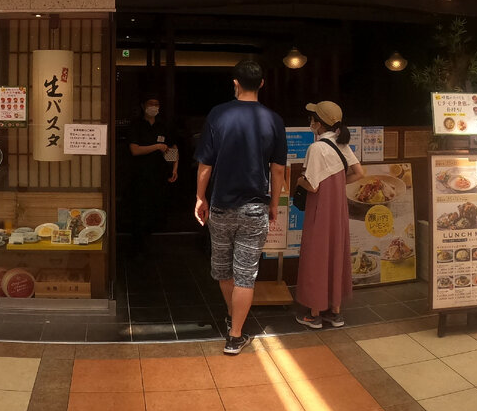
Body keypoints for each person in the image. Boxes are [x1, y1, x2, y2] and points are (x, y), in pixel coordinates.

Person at [194, 60, 287, 355]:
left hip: (221, 207)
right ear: (261, 84)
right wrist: (274, 204)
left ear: (235, 83)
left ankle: (233, 317)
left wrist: (200, 197)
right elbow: (278, 171)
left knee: (223, 270)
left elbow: (205, 164)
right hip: (255, 208)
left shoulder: (218, 114)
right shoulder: (274, 120)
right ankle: (235, 335)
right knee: (246, 273)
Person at [294, 101, 365, 329]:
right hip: (338, 209)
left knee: (316, 255)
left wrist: (298, 181)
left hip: (320, 209)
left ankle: (314, 314)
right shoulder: (342, 144)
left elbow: (312, 186)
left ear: (318, 123)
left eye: (312, 119)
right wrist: (337, 184)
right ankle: (335, 312)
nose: (310, 123)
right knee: (336, 252)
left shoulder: (316, 148)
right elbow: (359, 173)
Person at [126, 94, 178, 257]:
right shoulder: (136, 125)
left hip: (159, 174)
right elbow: (135, 150)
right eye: (151, 104)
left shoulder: (163, 126)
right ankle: (138, 243)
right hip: (140, 175)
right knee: (140, 207)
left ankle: (153, 241)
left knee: (157, 207)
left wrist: (174, 168)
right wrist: (156, 146)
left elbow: (171, 148)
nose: (154, 107)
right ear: (143, 106)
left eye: (157, 104)